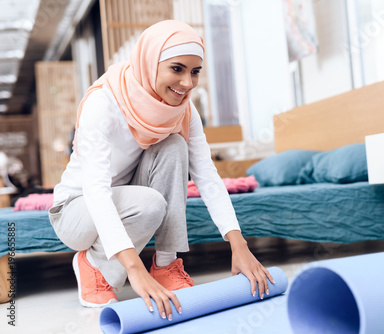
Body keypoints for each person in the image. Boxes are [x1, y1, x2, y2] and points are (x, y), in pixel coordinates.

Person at [48, 20, 273, 321]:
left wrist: (239, 245)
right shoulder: (103, 103)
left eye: (195, 72)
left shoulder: (183, 110)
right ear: (149, 62)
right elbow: (97, 192)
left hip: (129, 196)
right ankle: (93, 263)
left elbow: (207, 175)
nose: (188, 83)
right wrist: (134, 270)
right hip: (77, 209)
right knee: (150, 204)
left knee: (174, 147)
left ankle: (166, 265)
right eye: (177, 69)